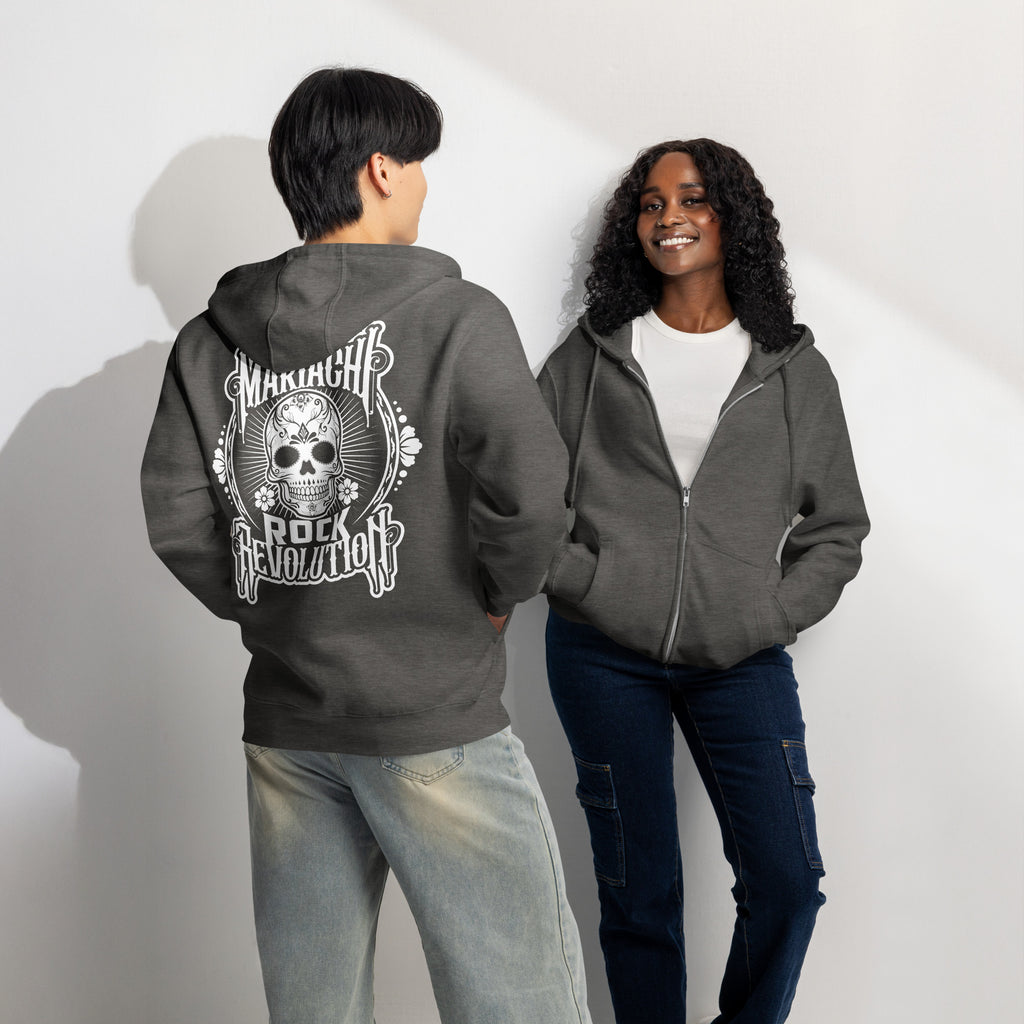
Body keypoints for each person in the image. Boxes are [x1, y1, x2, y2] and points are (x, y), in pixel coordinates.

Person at [141, 67, 590, 1024]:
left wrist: (273, 595)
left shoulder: (205, 344)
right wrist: (494, 596)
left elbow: (178, 516)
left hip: (288, 724)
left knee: (315, 1006)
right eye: (419, 163)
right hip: (432, 717)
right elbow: (531, 497)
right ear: (382, 170)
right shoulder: (459, 319)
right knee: (520, 1001)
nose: (424, 183)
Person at [539, 139, 869, 1024]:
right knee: (639, 894)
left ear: (732, 218)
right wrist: (589, 583)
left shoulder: (791, 369)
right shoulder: (590, 357)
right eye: (651, 204)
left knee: (787, 881)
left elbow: (836, 528)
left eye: (692, 199)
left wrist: (768, 613)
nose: (669, 218)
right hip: (601, 654)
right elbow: (524, 500)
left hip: (741, 658)